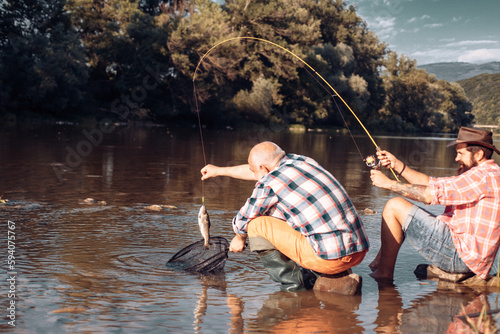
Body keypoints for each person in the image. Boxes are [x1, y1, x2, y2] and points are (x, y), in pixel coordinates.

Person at [201, 141, 369, 291]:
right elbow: (257, 171)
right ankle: (336, 279)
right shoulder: (302, 161)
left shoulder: (270, 183)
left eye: (255, 170)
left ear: (263, 169)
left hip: (331, 258)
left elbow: (242, 220)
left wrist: (239, 237)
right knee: (287, 213)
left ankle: (296, 287)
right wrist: (218, 171)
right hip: (358, 250)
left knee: (256, 225)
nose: (254, 176)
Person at [369, 126, 500, 280]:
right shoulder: (487, 174)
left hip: (462, 258)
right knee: (405, 213)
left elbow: (428, 195)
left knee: (394, 206)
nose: (456, 158)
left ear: (478, 154)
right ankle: (380, 263)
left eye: (460, 153)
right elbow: (431, 183)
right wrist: (396, 164)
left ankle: (384, 275)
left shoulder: (481, 177)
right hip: (469, 257)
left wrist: (388, 184)